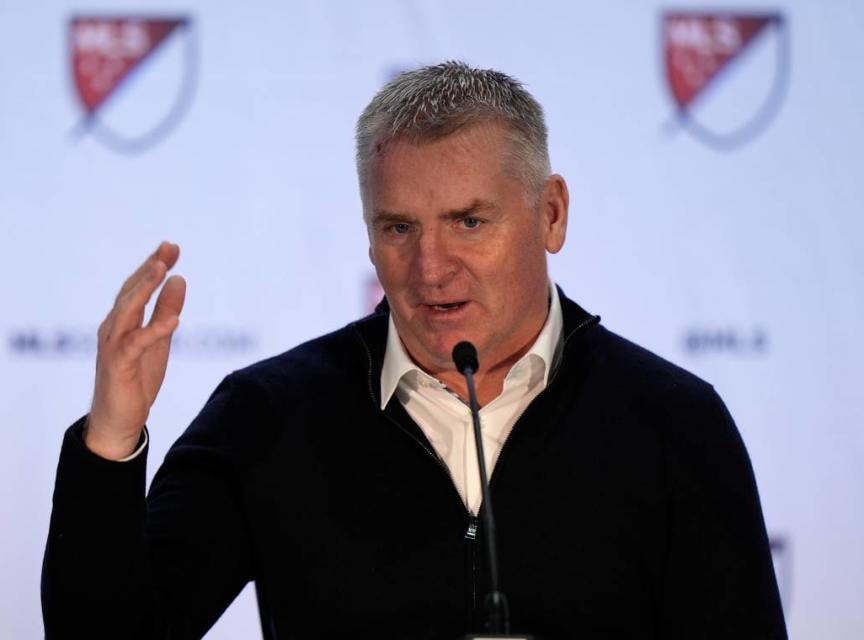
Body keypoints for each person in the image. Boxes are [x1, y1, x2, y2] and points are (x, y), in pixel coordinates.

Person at [42, 62, 787, 639]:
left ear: (551, 214)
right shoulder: (269, 414)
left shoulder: (673, 423)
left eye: (468, 222)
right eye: (399, 228)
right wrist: (110, 441)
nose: (430, 267)